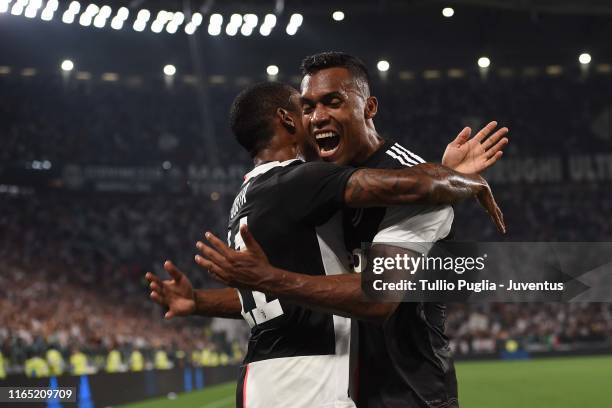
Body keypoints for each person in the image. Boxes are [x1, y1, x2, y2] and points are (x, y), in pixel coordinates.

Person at [147, 78, 506, 407]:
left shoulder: (245, 197)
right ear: (288, 120)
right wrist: (459, 177)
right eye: (305, 109)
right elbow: (413, 186)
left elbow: (266, 295)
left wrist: (198, 301)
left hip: (258, 381)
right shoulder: (299, 181)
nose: (316, 119)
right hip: (309, 382)